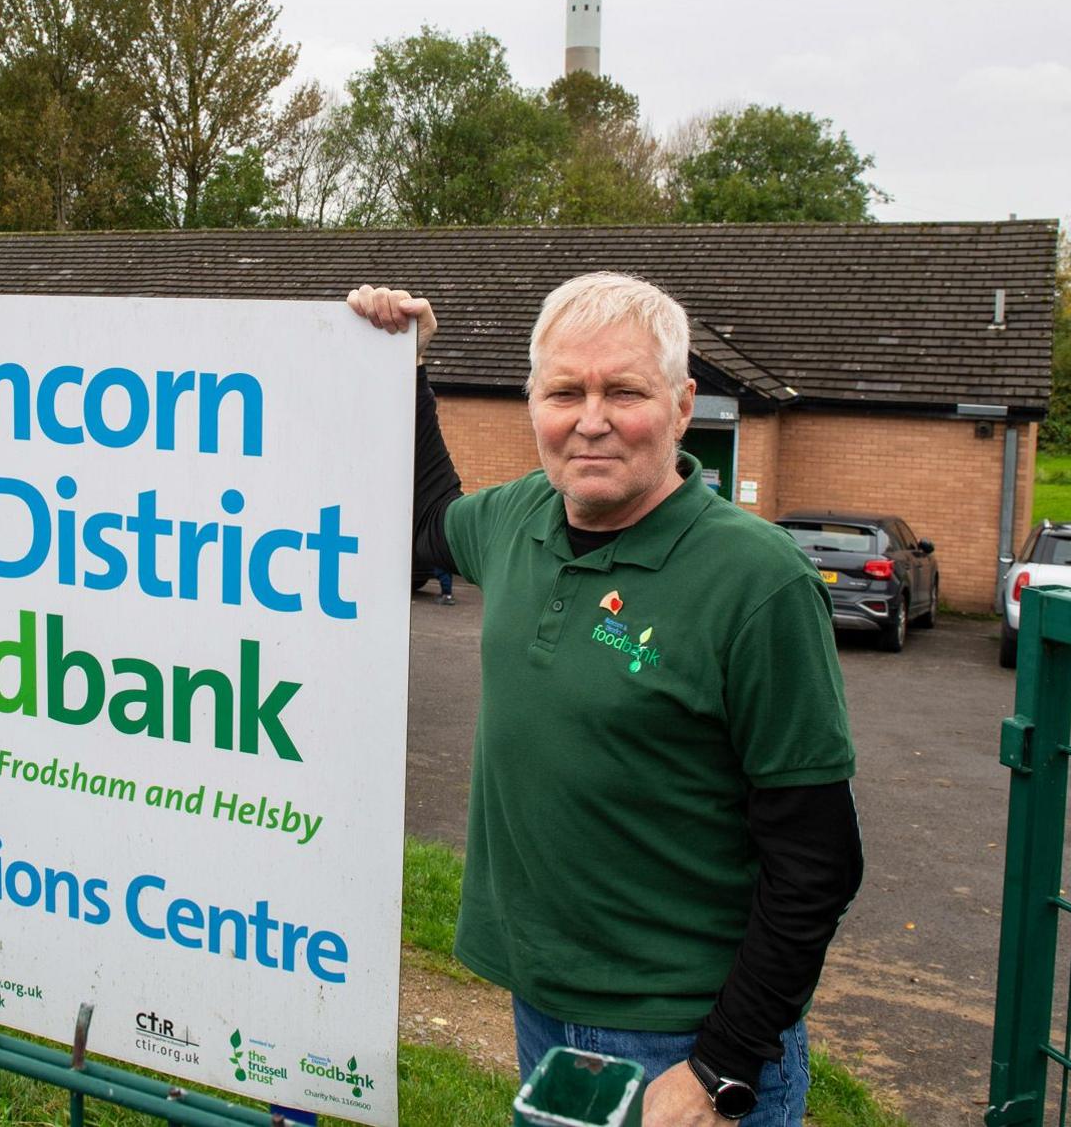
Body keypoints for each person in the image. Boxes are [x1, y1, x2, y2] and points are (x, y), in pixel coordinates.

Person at [348, 275, 863, 1125]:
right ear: (533, 403)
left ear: (683, 402)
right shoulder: (520, 518)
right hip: (542, 1005)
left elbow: (819, 863)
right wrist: (407, 363)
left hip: (682, 1039)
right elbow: (429, 515)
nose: (591, 419)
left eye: (624, 391)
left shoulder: (759, 583)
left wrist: (720, 1069)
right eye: (564, 392)